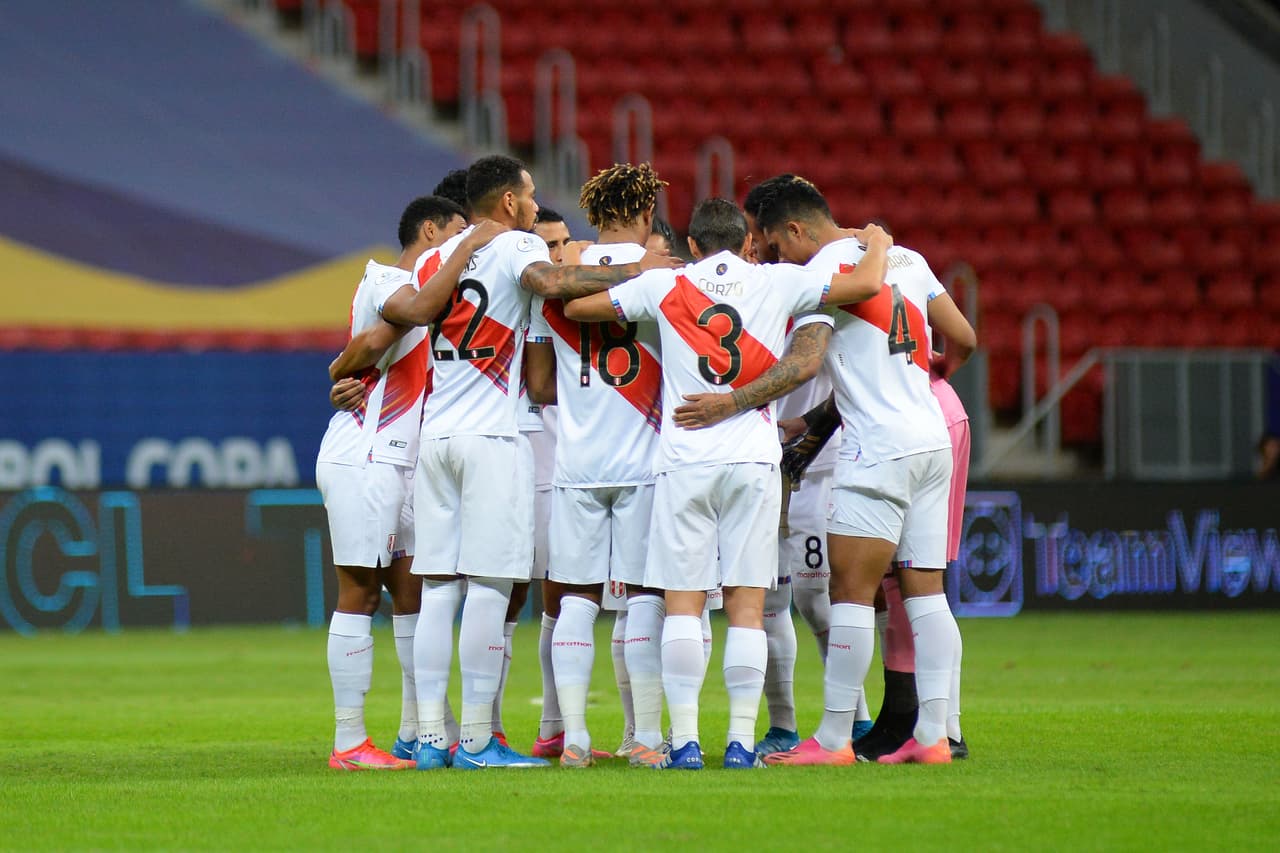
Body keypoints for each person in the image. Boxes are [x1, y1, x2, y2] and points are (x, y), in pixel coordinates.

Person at [564, 198, 888, 769]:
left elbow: (580, 308)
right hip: (752, 460)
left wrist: (636, 275)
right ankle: (740, 743)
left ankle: (686, 742)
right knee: (746, 604)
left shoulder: (668, 284)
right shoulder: (780, 280)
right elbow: (863, 286)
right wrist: (879, 240)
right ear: (745, 241)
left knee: (683, 605)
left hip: (683, 459)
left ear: (692, 244)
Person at [406, 154, 679, 771]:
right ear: (507, 202)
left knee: (438, 589)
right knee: (490, 587)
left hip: (437, 435)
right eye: (528, 196)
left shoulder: (434, 259)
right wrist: (643, 270)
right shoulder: (518, 250)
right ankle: (478, 741)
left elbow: (410, 321)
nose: (534, 206)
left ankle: (431, 739)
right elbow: (548, 295)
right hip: (496, 439)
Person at [737, 178, 975, 766]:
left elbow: (806, 362)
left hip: (876, 452)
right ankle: (933, 736)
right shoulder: (909, 259)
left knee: (849, 594)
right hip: (930, 444)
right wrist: (928, 374)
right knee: (927, 596)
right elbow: (964, 337)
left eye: (772, 245)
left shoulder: (824, 276)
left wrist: (731, 405)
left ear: (795, 229)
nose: (772, 258)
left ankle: (836, 739)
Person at [316, 195, 467, 771]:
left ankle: (419, 729)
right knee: (361, 593)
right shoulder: (387, 278)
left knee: (414, 595)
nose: (460, 244)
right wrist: (475, 244)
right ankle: (349, 741)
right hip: (366, 455)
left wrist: (342, 368)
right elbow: (419, 309)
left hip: (407, 461)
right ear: (429, 231)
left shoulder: (440, 302)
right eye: (453, 234)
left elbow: (372, 351)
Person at [525, 162, 668, 767]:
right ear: (643, 216)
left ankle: (576, 738)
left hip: (576, 463)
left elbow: (537, 385)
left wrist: (584, 395)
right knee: (642, 598)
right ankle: (646, 738)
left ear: (595, 216)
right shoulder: (662, 279)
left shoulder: (558, 281)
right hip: (642, 460)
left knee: (575, 601)